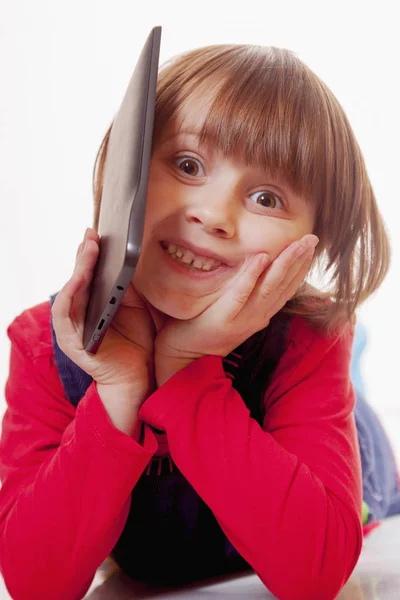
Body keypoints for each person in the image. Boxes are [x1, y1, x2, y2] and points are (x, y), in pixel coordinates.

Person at [0, 43, 399, 600]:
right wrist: (119, 390)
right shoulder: (44, 344)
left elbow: (316, 576)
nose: (212, 215)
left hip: (336, 450)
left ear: (311, 247)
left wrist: (188, 370)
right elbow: (35, 584)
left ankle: (356, 377)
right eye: (187, 165)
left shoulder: (308, 343)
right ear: (125, 169)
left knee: (360, 431)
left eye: (265, 197)